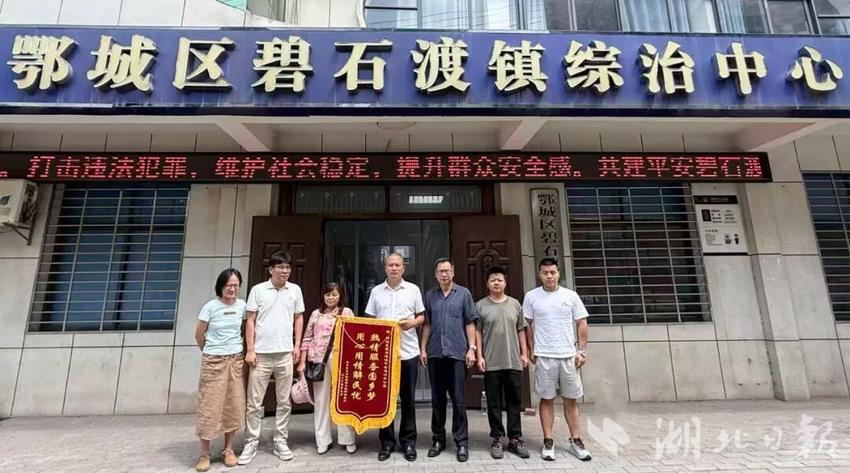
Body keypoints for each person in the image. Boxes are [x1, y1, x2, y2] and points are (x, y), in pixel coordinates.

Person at [239, 250, 305, 465]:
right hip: (261, 354)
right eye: (280, 267)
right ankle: (251, 442)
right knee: (254, 402)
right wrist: (250, 349)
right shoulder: (258, 290)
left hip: (285, 353)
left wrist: (297, 345)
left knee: (284, 402)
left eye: (287, 267)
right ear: (271, 269)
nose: (285, 271)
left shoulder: (295, 290)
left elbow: (298, 318)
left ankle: (280, 441)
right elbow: (250, 320)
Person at [523, 257, 591, 462]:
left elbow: (582, 322)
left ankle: (575, 440)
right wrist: (531, 348)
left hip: (568, 355)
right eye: (545, 273)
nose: (549, 276)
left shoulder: (570, 296)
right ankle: (548, 440)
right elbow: (526, 324)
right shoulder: (531, 296)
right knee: (547, 399)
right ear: (539, 274)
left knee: (571, 399)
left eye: (552, 272)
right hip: (544, 355)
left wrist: (582, 351)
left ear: (558, 273)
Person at [364, 253, 425, 462]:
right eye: (390, 265)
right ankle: (387, 443)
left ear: (403, 268)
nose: (394, 268)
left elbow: (422, 316)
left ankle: (408, 442)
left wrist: (413, 323)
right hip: (382, 355)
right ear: (385, 268)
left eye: (397, 265)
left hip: (408, 352)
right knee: (384, 400)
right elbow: (370, 320)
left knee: (408, 400)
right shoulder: (376, 292)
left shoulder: (413, 290)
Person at [419, 258, 477, 463]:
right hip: (435, 353)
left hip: (457, 354)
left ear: (453, 272)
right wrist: (423, 348)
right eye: (440, 271)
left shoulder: (464, 294)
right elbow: (427, 323)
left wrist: (472, 349)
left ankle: (462, 442)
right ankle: (438, 440)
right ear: (435, 275)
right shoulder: (430, 296)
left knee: (459, 400)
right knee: (437, 400)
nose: (444, 274)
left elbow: (470, 322)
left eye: (447, 270)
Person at [193, 268, 247, 472]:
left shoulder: (242, 306)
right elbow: (199, 335)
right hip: (214, 361)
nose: (232, 289)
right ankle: (204, 453)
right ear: (221, 286)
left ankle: (228, 450)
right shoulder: (210, 307)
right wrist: (211, 352)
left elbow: (244, 330)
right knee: (209, 405)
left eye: (236, 285)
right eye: (228, 285)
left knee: (233, 404)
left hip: (235, 360)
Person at [475, 266, 530, 460]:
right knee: (494, 402)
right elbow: (477, 332)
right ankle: (497, 437)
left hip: (513, 360)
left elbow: (521, 329)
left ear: (505, 283)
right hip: (492, 362)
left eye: (499, 280)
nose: (496, 283)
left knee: (514, 401)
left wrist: (524, 353)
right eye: (493, 280)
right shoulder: (480, 306)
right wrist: (480, 356)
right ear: (487, 284)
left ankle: (515, 438)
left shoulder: (515, 304)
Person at [297, 282, 358, 455]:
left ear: (340, 296)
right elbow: (307, 337)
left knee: (343, 399)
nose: (331, 298)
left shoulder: (346, 312)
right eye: (328, 294)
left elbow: (355, 336)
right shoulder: (316, 314)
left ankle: (348, 438)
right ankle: (322, 439)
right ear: (323, 296)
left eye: (334, 294)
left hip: (342, 360)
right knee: (321, 400)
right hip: (318, 360)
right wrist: (302, 362)